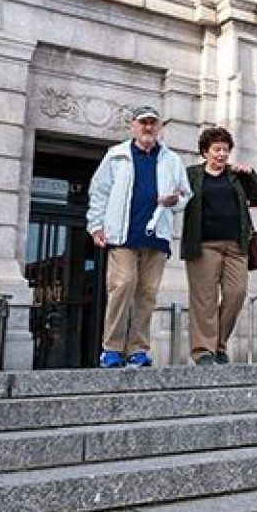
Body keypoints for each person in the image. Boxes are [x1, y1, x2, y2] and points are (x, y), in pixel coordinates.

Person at [85, 104, 188, 367]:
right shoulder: (116, 155)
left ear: (160, 128)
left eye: (153, 123)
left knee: (147, 293)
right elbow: (99, 192)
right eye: (143, 122)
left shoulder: (172, 159)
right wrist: (95, 226)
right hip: (122, 235)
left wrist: (175, 199)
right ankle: (112, 348)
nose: (148, 127)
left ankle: (138, 350)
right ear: (133, 126)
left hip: (157, 235)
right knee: (123, 285)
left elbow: (187, 195)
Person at [180, 126, 257, 366]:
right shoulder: (192, 174)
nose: (221, 155)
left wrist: (250, 175)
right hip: (204, 245)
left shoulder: (235, 175)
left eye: (225, 150)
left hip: (237, 246)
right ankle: (203, 350)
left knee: (236, 295)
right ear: (205, 152)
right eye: (216, 150)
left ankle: (218, 343)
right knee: (204, 299)